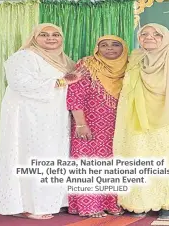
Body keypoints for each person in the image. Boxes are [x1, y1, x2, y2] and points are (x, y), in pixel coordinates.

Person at [113, 23, 169, 218]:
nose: (149, 37)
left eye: (156, 34)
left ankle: (167, 204)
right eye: (144, 34)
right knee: (136, 159)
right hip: (135, 120)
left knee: (168, 162)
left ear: (165, 38)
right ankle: (137, 204)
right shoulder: (136, 59)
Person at [0, 23, 82, 220]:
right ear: (34, 37)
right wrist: (60, 82)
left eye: (56, 34)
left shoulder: (65, 60)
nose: (51, 38)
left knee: (53, 155)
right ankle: (26, 206)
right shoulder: (24, 56)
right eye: (44, 34)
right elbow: (20, 83)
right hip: (27, 117)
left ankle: (52, 201)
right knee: (30, 155)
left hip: (54, 117)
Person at [67, 35, 128, 218]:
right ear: (97, 48)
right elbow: (75, 93)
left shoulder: (128, 67)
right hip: (89, 123)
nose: (110, 48)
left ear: (123, 48)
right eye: (104, 45)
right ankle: (89, 205)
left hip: (118, 125)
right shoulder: (87, 65)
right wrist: (80, 123)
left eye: (115, 45)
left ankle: (110, 203)